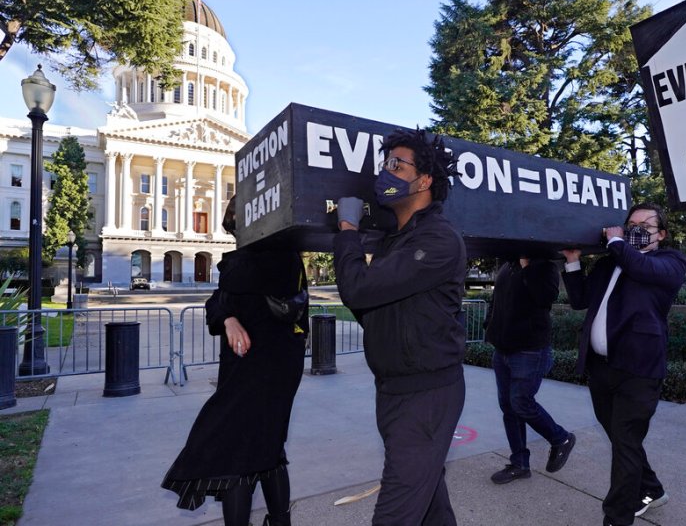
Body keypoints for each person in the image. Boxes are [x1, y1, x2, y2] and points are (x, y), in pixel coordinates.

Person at [333, 129, 466, 526]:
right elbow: (374, 309)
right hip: (393, 390)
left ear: (424, 181)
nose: (386, 172)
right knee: (429, 504)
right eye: (384, 164)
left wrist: (347, 231)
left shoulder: (438, 240)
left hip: (426, 396)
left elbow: (359, 290)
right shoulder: (397, 242)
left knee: (395, 514)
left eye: (396, 164)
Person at [162, 197, 309, 526]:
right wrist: (228, 317)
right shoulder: (247, 260)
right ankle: (280, 521)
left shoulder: (273, 256)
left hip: (267, 369)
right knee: (265, 447)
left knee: (237, 451)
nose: (237, 232)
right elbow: (216, 304)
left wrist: (224, 310)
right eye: (234, 225)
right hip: (245, 368)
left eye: (240, 222)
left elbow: (222, 294)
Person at [561, 202, 686, 526]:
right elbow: (579, 300)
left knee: (625, 441)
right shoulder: (609, 263)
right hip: (602, 369)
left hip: (639, 372)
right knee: (622, 440)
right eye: (630, 223)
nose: (635, 229)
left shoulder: (670, 262)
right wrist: (573, 262)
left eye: (645, 226)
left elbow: (642, 270)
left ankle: (617, 518)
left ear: (661, 234)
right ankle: (653, 489)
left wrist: (617, 242)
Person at [484, 256, 575, 485]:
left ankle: (560, 438)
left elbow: (545, 298)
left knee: (521, 403)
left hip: (530, 351)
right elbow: (497, 300)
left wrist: (527, 265)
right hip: (502, 350)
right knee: (509, 408)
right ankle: (519, 464)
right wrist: (490, 326)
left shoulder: (544, 265)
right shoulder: (507, 264)